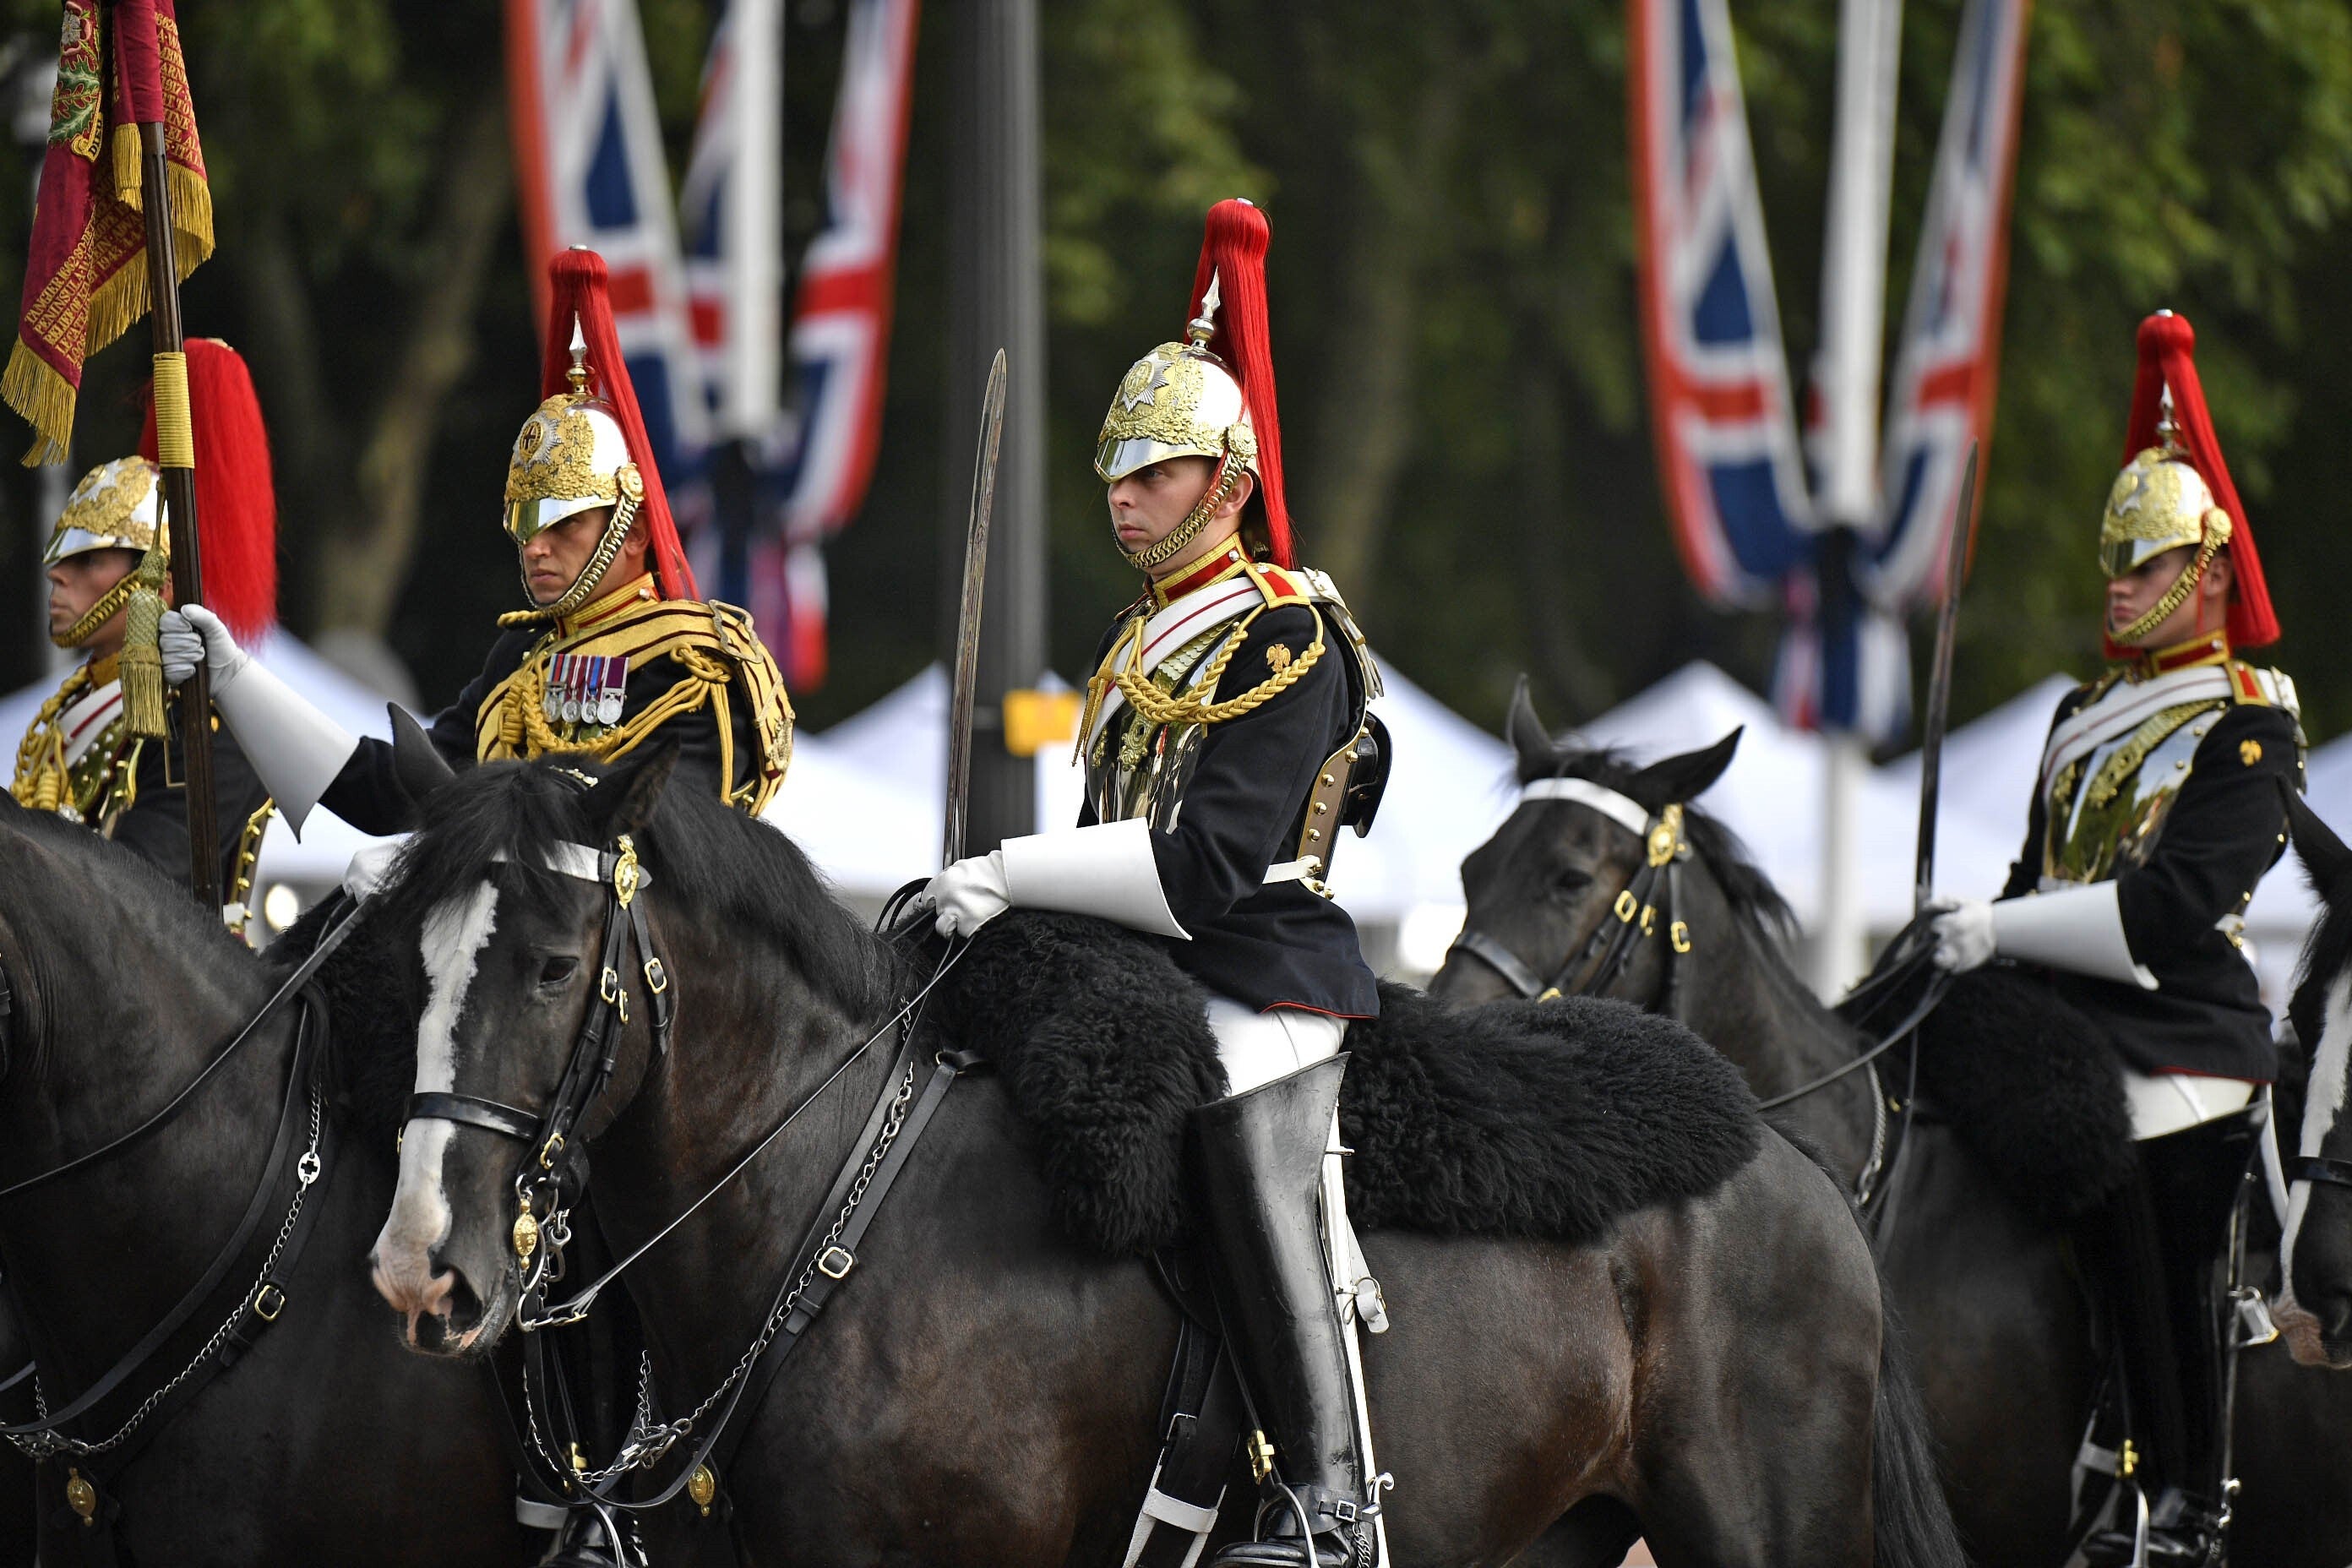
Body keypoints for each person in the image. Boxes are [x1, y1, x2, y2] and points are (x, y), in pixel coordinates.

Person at [927, 199, 1390, 1568]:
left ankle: (1326, 1498)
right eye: (1115, 469)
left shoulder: (1282, 633)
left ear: (1227, 483)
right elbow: (1108, 838)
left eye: (1156, 470)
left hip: (1260, 965)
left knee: (1235, 1111)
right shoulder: (1139, 641)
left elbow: (1200, 870)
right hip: (1137, 964)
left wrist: (1006, 871)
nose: (1122, 491)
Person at [1929, 309, 2300, 1566]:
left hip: (2183, 1028)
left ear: (2204, 572)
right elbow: (2036, 875)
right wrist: (1961, 937)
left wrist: (1998, 927)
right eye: (2112, 566)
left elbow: (2171, 907)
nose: (2116, 587)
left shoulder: (2251, 717)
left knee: (2129, 1151)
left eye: (2140, 567)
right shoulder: (2082, 714)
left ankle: (2172, 1474)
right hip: (2061, 1015)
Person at [161, 248, 792, 841]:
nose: (536, 548)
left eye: (563, 524)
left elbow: (671, 851)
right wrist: (235, 678)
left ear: (634, 534)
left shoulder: (697, 667)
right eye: (526, 524)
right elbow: (391, 796)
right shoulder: (520, 657)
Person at [13, 339, 275, 927]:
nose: (57, 574)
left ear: (156, 581)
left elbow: (127, 894)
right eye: (63, 556)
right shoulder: (75, 702)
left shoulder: (208, 725)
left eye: (89, 560)